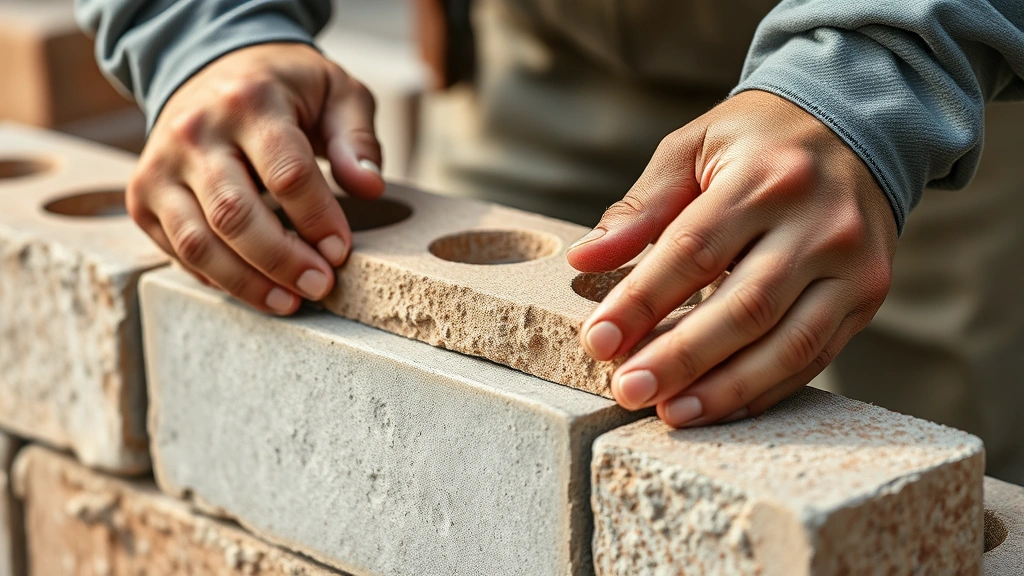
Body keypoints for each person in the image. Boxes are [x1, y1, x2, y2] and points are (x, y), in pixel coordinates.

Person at [76, 0, 1024, 477]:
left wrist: (879, 77)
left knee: (932, 467)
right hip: (535, 56)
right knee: (470, 447)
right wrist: (209, 35)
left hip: (916, 115)